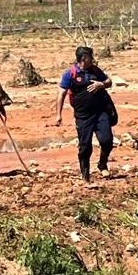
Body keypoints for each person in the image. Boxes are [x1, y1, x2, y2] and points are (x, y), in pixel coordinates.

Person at [55, 46, 116, 181]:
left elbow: (109, 81)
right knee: (85, 146)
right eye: (90, 57)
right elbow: (62, 94)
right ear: (83, 58)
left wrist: (101, 84)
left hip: (100, 112)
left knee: (107, 141)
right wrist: (58, 115)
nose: (92, 59)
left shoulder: (95, 70)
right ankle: (85, 175)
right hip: (83, 116)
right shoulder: (70, 74)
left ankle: (102, 164)